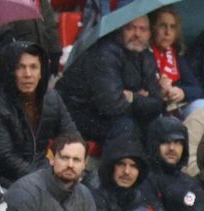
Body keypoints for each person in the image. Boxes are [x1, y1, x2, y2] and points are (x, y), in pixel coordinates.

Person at [59, 17, 164, 145]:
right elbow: (112, 106)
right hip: (83, 115)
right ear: (120, 30)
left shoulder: (146, 55)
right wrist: (141, 98)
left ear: (149, 34)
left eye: (143, 29)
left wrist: (133, 97)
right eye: (130, 28)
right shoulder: (106, 52)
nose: (137, 34)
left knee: (162, 126)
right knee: (127, 126)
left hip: (117, 114)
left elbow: (158, 102)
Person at [0, 42, 71, 184]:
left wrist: (69, 164)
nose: (28, 74)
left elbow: (70, 134)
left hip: (43, 170)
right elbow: (6, 157)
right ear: (10, 72)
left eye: (33, 67)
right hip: (6, 180)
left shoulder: (51, 98)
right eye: (21, 67)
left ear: (41, 73)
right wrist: (45, 178)